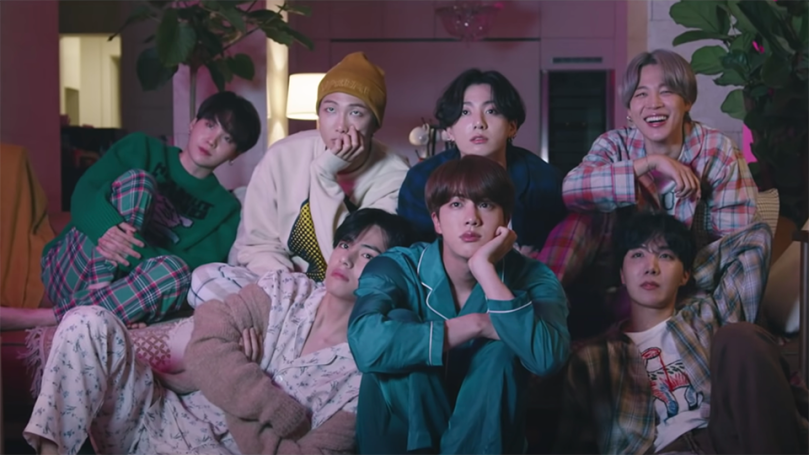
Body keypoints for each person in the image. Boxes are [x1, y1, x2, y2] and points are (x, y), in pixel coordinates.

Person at [24, 208, 413, 455]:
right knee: (87, 320)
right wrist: (274, 409)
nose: (346, 257)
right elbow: (207, 339)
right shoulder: (287, 289)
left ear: (391, 274)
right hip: (152, 416)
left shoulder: (364, 374)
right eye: (345, 243)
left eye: (368, 254)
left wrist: (235, 383)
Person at [348, 155, 570, 455]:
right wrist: (477, 324)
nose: (471, 218)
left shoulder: (534, 276)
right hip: (397, 440)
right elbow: (364, 345)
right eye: (456, 204)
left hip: (488, 442)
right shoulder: (397, 266)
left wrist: (486, 270)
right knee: (400, 321)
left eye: (486, 204)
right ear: (436, 221)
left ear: (505, 220)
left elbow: (547, 358)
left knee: (503, 349)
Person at [537, 49, 759, 335]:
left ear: (687, 101)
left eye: (666, 92)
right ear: (629, 110)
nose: (653, 104)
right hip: (614, 274)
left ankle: (719, 336)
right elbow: (572, 191)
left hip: (687, 277)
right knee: (584, 214)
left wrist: (675, 279)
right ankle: (532, 308)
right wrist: (649, 164)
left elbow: (732, 243)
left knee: (754, 241)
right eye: (641, 94)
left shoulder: (716, 150)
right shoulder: (615, 144)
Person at [553, 212, 809, 455]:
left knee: (740, 336)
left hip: (728, 437)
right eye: (638, 255)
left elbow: (756, 239)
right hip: (658, 449)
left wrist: (689, 274)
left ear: (686, 273)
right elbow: (574, 444)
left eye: (665, 256)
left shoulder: (707, 316)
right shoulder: (593, 358)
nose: (651, 267)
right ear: (622, 274)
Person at [189, 52, 409, 307]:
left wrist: (324, 174)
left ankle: (292, 322)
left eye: (356, 113)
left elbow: (352, 262)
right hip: (281, 285)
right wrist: (288, 287)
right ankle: (294, 319)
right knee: (203, 280)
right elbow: (257, 244)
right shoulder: (283, 156)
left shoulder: (395, 176)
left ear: (375, 124)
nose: (341, 125)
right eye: (330, 109)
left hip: (347, 294)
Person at [28, 91, 261, 328]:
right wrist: (109, 231)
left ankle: (76, 311)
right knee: (139, 182)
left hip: (132, 290)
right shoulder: (142, 148)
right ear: (193, 123)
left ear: (236, 153)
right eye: (210, 125)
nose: (212, 140)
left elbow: (193, 270)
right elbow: (84, 194)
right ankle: (105, 298)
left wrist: (128, 259)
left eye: (227, 139)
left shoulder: (226, 211)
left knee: (177, 272)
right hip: (74, 266)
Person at [397, 68, 566, 253]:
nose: (479, 123)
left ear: (512, 127)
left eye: (491, 111)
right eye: (465, 112)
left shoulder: (543, 180)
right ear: (449, 131)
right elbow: (414, 253)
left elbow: (552, 253)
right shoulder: (421, 179)